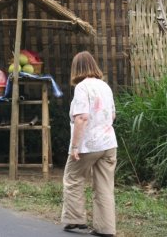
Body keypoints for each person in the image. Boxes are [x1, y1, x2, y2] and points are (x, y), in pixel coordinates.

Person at [61, 51, 118, 237]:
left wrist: (75, 146)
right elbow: (112, 115)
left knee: (73, 177)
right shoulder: (105, 86)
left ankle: (75, 220)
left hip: (88, 144)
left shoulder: (82, 88)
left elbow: (81, 118)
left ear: (76, 69)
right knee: (104, 185)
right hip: (109, 144)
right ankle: (106, 228)